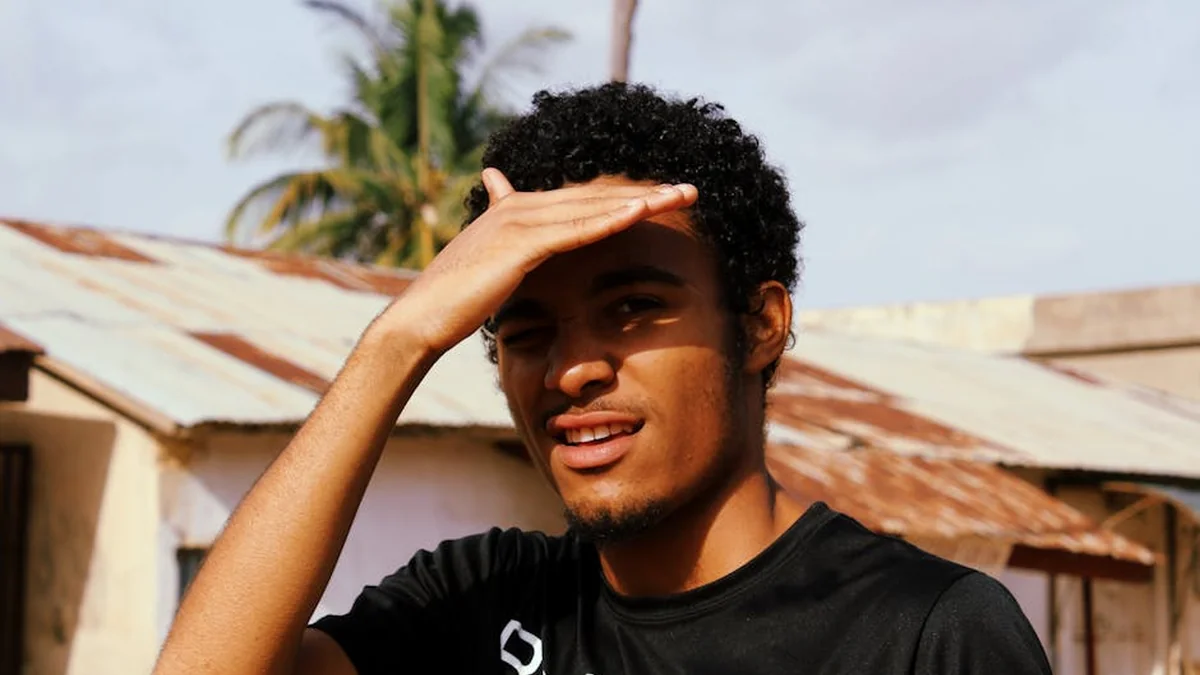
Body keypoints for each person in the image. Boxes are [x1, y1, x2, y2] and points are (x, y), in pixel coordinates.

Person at [153, 83, 1051, 675]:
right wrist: (399, 341)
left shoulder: (928, 631)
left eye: (632, 308)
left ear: (761, 325)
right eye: (527, 329)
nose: (573, 368)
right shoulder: (480, 602)